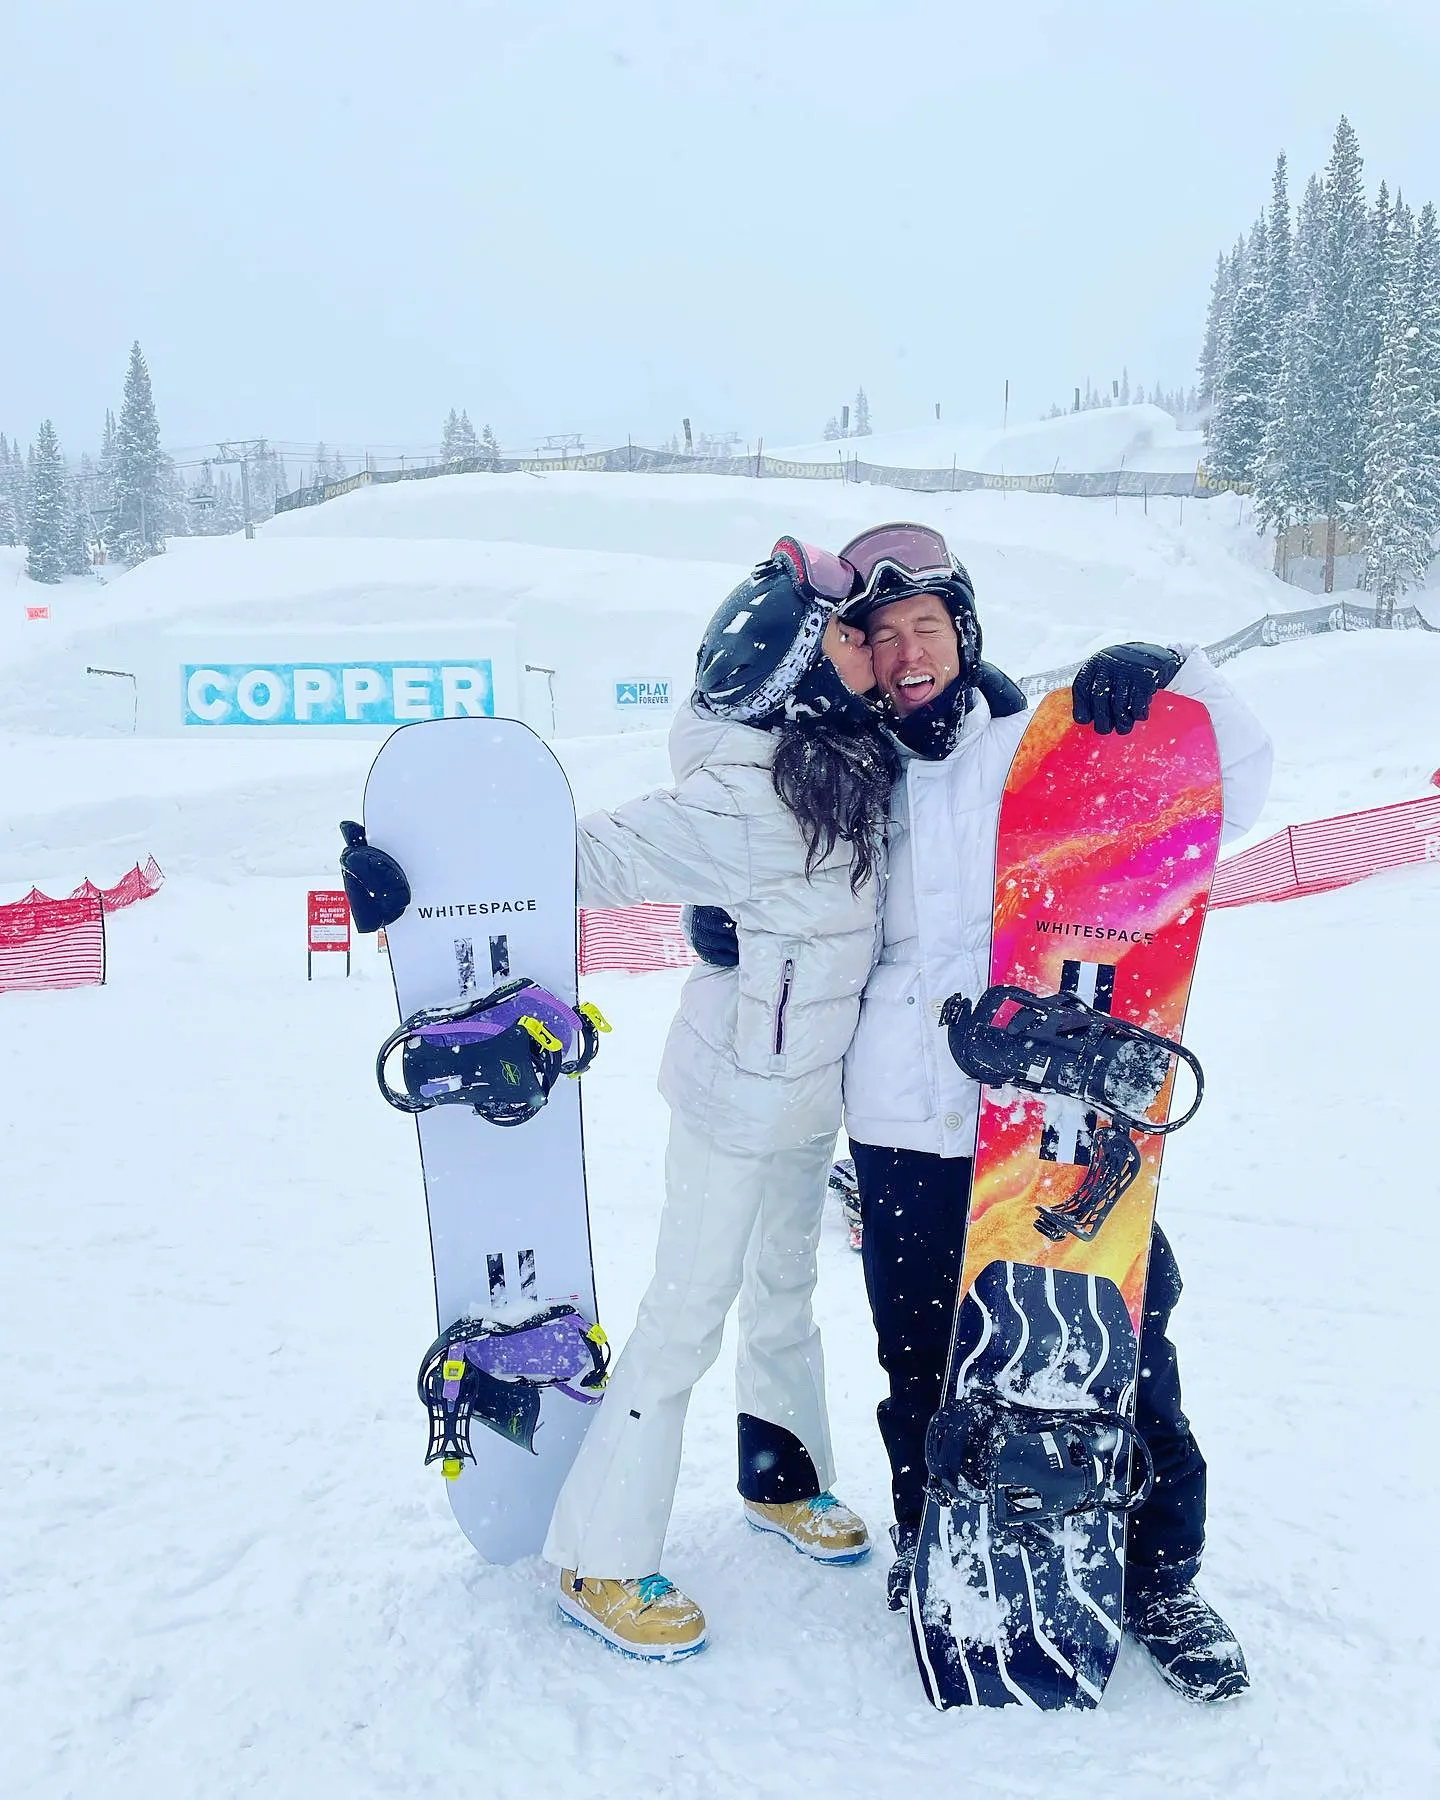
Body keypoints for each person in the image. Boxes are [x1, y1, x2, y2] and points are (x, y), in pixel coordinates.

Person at [833, 520, 1273, 1704]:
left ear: (963, 633)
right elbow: (781, 907)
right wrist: (725, 928)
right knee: (916, 1349)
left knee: (1118, 1338)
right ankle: (933, 1530)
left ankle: (1159, 1572)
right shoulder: (843, 778)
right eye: (884, 636)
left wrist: (1177, 677)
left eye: (926, 627)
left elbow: (1229, 786)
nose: (908, 654)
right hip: (899, 1117)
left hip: (1045, 1122)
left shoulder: (1034, 752)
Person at [543, 537, 899, 1662]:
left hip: (808, 1090)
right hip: (736, 1093)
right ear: (800, 664)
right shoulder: (746, 795)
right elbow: (577, 862)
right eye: (851, 636)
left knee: (785, 1288)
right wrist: (420, 869)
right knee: (687, 1311)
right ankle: (596, 1555)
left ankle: (781, 1478)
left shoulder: (848, 769)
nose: (874, 651)